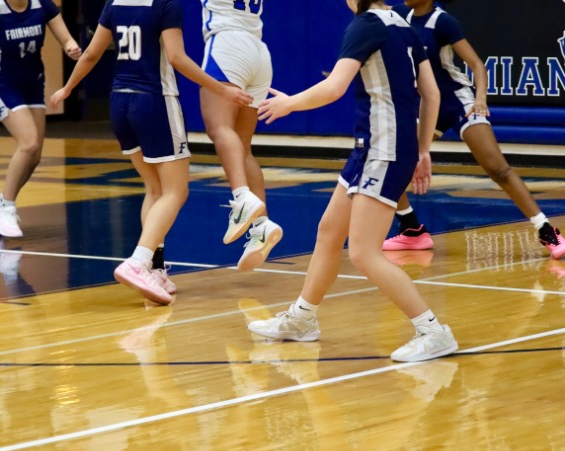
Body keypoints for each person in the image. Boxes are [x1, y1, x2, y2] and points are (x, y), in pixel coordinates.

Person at [248, 0, 459, 362]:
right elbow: (432, 93)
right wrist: (423, 148)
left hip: (383, 150)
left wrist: (289, 104)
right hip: (376, 149)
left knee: (363, 253)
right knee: (330, 231)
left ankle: (433, 331)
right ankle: (302, 318)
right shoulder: (403, 25)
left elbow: (334, 87)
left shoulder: (365, 25)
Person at [50, 0, 252, 305]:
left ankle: (155, 269)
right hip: (155, 101)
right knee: (176, 192)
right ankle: (138, 262)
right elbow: (177, 57)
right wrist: (221, 89)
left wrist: (67, 88)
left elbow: (91, 54)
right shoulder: (166, 4)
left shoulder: (114, 3)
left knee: (155, 189)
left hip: (119, 102)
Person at [382, 0, 565, 259]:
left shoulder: (443, 22)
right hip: (427, 106)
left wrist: (480, 99)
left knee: (497, 168)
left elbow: (477, 65)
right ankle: (411, 229)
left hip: (458, 102)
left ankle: (546, 230)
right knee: (393, 162)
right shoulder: (401, 16)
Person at [0, 0, 82, 238]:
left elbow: (66, 39)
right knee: (29, 143)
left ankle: (1, 203)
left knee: (35, 155)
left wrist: (71, 47)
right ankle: (7, 206)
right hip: (2, 85)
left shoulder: (43, 6)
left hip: (33, 84)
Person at [199, 0, 284, 272]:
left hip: (227, 43)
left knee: (219, 128)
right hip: (258, 50)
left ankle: (241, 197)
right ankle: (261, 226)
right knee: (243, 146)